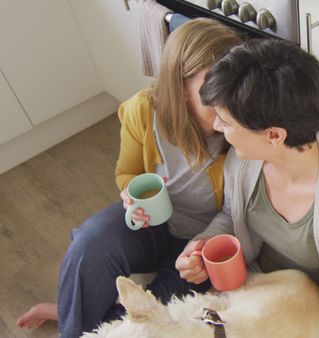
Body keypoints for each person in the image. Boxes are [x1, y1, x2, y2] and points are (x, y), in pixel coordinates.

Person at [16, 18, 241, 337]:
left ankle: (71, 315)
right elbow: (127, 172)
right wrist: (130, 197)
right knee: (91, 242)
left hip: (201, 241)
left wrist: (199, 249)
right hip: (150, 224)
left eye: (232, 84)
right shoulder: (141, 111)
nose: (226, 99)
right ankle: (73, 323)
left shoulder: (239, 133)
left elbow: (235, 212)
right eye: (212, 85)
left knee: (155, 316)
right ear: (182, 87)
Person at [179, 38, 319, 337]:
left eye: (226, 122)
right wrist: (202, 244)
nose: (218, 129)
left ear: (274, 135)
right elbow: (230, 216)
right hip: (251, 292)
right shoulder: (243, 162)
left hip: (307, 320)